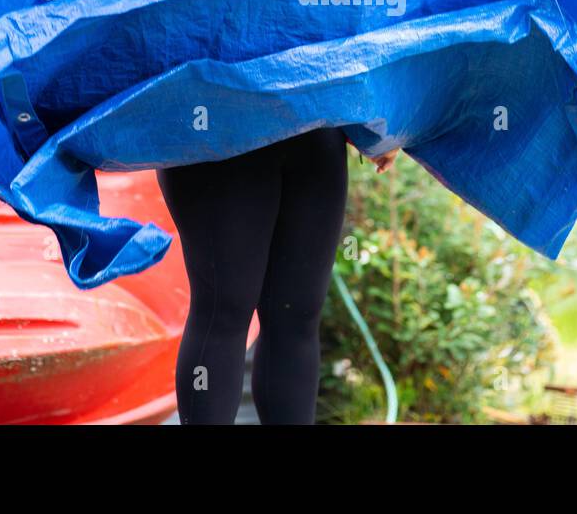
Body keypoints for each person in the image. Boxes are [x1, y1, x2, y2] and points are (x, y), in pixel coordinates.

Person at [156, 133, 398, 424]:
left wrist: (376, 126)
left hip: (315, 127)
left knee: (296, 316)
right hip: (218, 122)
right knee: (224, 313)